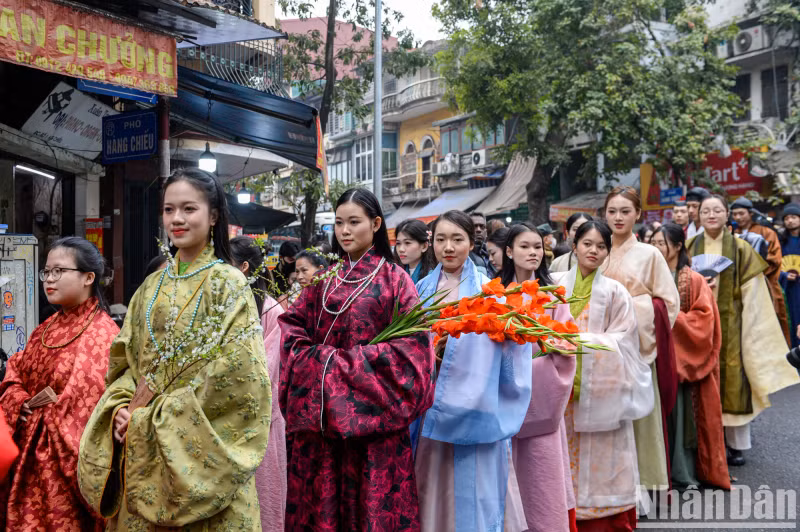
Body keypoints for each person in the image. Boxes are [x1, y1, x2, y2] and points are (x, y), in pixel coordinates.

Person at [78, 168, 271, 531]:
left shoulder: (228, 284)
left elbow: (239, 381)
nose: (177, 219)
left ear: (213, 215)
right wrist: (121, 408)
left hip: (199, 458)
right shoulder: (151, 286)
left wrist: (152, 418)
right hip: (142, 451)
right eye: (169, 210)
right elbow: (124, 362)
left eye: (189, 209)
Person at [278, 188, 434, 529]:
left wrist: (332, 368)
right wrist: (325, 363)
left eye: (354, 222)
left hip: (374, 433)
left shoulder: (396, 281)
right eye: (338, 223)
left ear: (376, 224)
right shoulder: (322, 280)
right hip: (321, 431)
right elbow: (292, 332)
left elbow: (414, 355)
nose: (344, 231)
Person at [414, 210, 530, 532]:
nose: (448, 247)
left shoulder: (491, 292)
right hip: (433, 403)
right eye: (440, 239)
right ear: (430, 243)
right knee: (432, 480)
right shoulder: (419, 290)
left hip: (477, 404)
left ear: (471, 241)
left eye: (457, 239)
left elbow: (511, 347)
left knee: (478, 487)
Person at [0, 237, 119, 531]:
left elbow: (86, 407)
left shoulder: (101, 333)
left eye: (59, 271)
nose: (49, 280)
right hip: (29, 458)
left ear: (88, 278)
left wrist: (39, 417)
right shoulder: (47, 326)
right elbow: (16, 368)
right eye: (46, 272)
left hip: (60, 467)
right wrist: (20, 402)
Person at [551, 220, 653, 531]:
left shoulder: (615, 292)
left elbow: (624, 340)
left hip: (602, 390)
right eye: (587, 244)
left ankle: (606, 518)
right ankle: (561, 513)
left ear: (608, 252)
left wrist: (578, 343)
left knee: (605, 456)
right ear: (574, 245)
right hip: (562, 389)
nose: (593, 251)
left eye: (601, 246)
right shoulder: (553, 286)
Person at [687, 194, 798, 466]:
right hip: (697, 324)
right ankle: (704, 440)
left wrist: (752, 324)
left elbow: (753, 290)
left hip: (733, 323)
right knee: (698, 381)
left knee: (734, 381)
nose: (711, 215)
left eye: (717, 210)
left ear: (727, 215)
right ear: (699, 216)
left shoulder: (740, 248)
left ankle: (735, 445)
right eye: (706, 211)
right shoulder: (689, 246)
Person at [600, 185, 679, 492]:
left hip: (636, 347)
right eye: (612, 211)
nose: (618, 218)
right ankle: (610, 488)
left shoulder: (650, 254)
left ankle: (644, 485)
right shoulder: (596, 248)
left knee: (641, 419)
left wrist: (626, 310)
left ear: (638, 215)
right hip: (600, 347)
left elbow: (667, 304)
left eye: (625, 211)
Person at [500, 223, 577, 532]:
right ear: (508, 252)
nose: (532, 253)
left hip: (540, 403)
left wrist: (520, 373)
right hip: (502, 405)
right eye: (524, 246)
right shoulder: (494, 296)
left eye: (536, 247)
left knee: (542, 480)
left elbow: (565, 350)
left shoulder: (554, 297)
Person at [652, 224, 730, 490]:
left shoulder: (693, 279)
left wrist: (669, 321)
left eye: (661, 243)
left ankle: (684, 471)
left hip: (683, 361)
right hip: (655, 357)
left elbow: (704, 321)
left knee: (683, 417)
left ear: (676, 247)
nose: (656, 248)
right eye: (653, 243)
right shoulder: (649, 277)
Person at [231, 236, 287, 532]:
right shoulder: (219, 307)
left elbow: (265, 369)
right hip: (223, 418)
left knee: (262, 495)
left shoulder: (271, 310)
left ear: (243, 268)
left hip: (258, 418)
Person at [730, 197, 790, 344]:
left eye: (741, 213)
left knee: (774, 318)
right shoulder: (730, 233)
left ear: (750, 213)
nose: (738, 217)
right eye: (735, 214)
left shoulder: (767, 232)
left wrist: (752, 269)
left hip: (765, 282)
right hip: (738, 286)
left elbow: (774, 259)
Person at [779, 203, 800, 348]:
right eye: (786, 218)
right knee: (790, 321)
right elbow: (774, 265)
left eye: (793, 217)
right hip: (788, 289)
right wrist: (784, 275)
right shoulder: (780, 241)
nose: (790, 221)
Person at [394, 219, 436, 283]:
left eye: (407, 243)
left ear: (424, 246)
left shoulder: (433, 276)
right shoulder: (396, 273)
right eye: (398, 243)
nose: (401, 249)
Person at [469, 211, 492, 276]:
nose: (478, 230)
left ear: (486, 232)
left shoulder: (491, 253)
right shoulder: (463, 255)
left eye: (482, 226)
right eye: (474, 226)